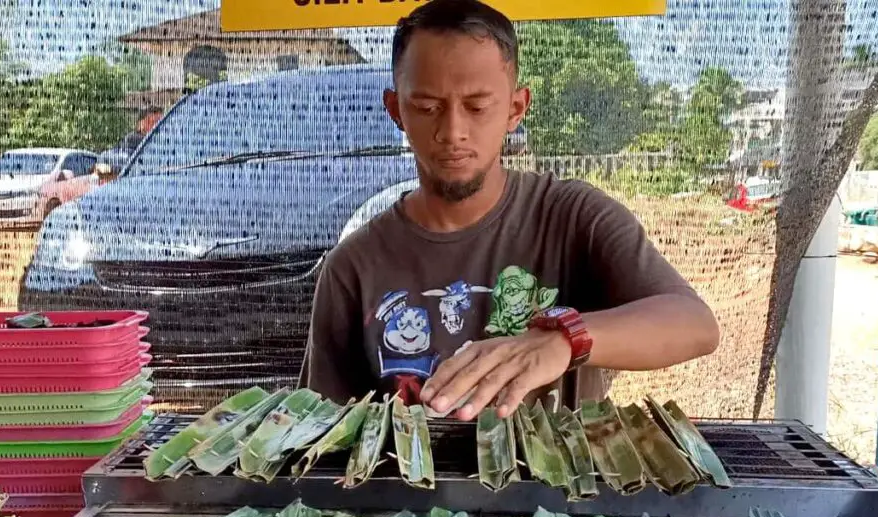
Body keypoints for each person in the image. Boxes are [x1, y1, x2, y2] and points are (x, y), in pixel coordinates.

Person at [299, 0, 720, 421]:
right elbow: (324, 437)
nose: (453, 132)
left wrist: (562, 340)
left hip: (553, 487)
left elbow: (694, 324)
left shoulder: (574, 219)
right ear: (396, 111)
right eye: (427, 108)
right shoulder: (352, 268)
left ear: (516, 109)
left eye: (477, 107)